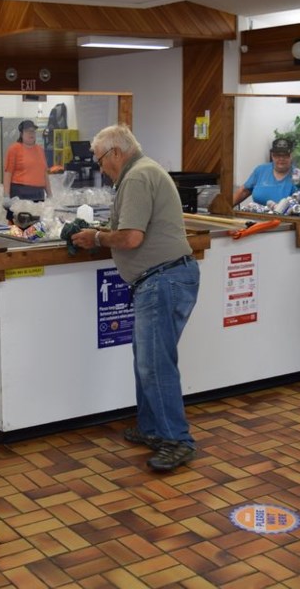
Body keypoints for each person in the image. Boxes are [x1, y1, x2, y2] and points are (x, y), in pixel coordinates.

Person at [71, 125, 200, 472]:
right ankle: (152, 429)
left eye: (100, 160)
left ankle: (177, 441)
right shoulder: (141, 172)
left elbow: (130, 238)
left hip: (163, 279)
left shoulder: (138, 177)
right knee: (147, 358)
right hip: (162, 279)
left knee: (155, 364)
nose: (100, 168)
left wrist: (96, 238)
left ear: (115, 152)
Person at [232, 137, 300, 206]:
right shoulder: (260, 170)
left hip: (285, 217)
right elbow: (244, 191)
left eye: (285, 155)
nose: (281, 158)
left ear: (291, 156)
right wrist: (225, 207)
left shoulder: (297, 175)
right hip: (256, 216)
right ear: (272, 155)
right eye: (277, 155)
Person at [4, 119, 52, 205]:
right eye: (27, 131)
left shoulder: (40, 150)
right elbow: (8, 173)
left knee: (37, 218)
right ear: (21, 134)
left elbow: (44, 174)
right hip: (20, 193)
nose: (31, 134)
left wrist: (49, 195)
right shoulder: (14, 149)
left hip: (38, 194)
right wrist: (6, 196)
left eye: (33, 131)